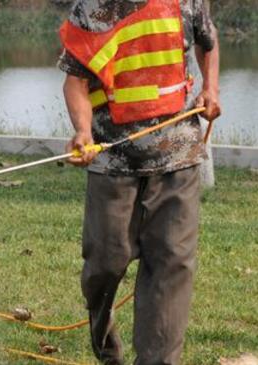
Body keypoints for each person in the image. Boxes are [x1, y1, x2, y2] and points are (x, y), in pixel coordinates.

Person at [58, 1, 221, 364]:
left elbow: (207, 41)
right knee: (104, 263)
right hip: (112, 161)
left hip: (178, 154)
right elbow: (75, 80)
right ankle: (106, 348)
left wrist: (211, 88)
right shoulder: (92, 7)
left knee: (171, 262)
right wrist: (83, 131)